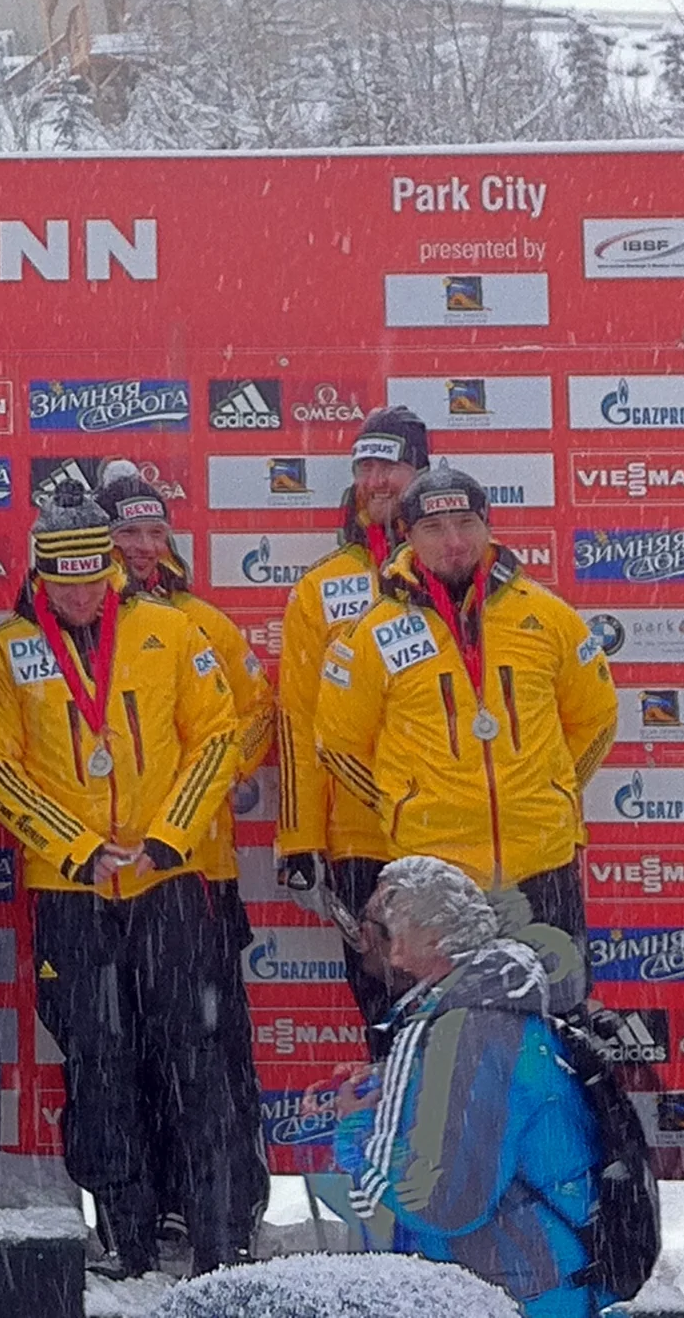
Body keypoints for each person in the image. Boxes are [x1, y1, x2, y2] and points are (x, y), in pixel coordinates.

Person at [0, 485, 243, 1277]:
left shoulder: (169, 630)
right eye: (67, 580)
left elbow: (217, 737)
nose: (84, 593)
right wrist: (77, 848)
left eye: (95, 576)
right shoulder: (11, 648)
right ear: (40, 577)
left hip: (170, 879)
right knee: (98, 1060)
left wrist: (167, 837)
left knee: (194, 1054)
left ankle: (217, 1234)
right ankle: (124, 1234)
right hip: (71, 890)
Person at [313, 465, 615, 982]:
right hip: (434, 875)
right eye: (434, 528)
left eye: (465, 523)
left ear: (487, 525)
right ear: (407, 535)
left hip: (541, 863)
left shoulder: (548, 616)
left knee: (556, 1019)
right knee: (437, 1031)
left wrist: (556, 789)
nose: (454, 541)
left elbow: (598, 716)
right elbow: (337, 743)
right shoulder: (371, 633)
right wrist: (403, 802)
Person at [99, 464, 273, 1251]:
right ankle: (159, 1200)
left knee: (210, 1049)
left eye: (152, 531)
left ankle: (228, 1205)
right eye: (125, 531)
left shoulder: (202, 619)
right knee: (125, 1045)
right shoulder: (75, 623)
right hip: (107, 877)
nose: (140, 546)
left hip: (201, 873)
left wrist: (226, 776)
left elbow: (256, 712)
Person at [327, 857, 602, 1317]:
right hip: (536, 1278)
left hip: (514, 1293)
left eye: (380, 921)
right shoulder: (485, 1006)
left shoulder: (465, 1026)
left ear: (432, 937)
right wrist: (393, 1087)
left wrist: (356, 1131)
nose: (368, 934)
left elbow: (440, 1201)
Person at [274, 408, 424, 1030]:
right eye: (365, 466)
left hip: (451, 835)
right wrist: (300, 838)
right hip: (362, 841)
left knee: (469, 1020)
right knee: (386, 1018)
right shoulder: (320, 587)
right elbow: (297, 720)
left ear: (420, 470)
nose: (377, 479)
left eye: (389, 464)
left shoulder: (457, 570)